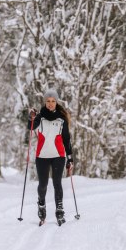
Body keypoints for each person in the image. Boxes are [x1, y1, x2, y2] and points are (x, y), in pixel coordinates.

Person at [28, 89, 74, 225]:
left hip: (58, 155)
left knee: (57, 183)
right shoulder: (39, 117)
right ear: (45, 102)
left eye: (53, 101)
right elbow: (30, 127)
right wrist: (31, 117)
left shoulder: (61, 119)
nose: (50, 104)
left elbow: (66, 139)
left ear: (56, 102)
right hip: (42, 156)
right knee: (43, 185)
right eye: (48, 101)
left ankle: (59, 211)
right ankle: (41, 204)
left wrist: (70, 158)